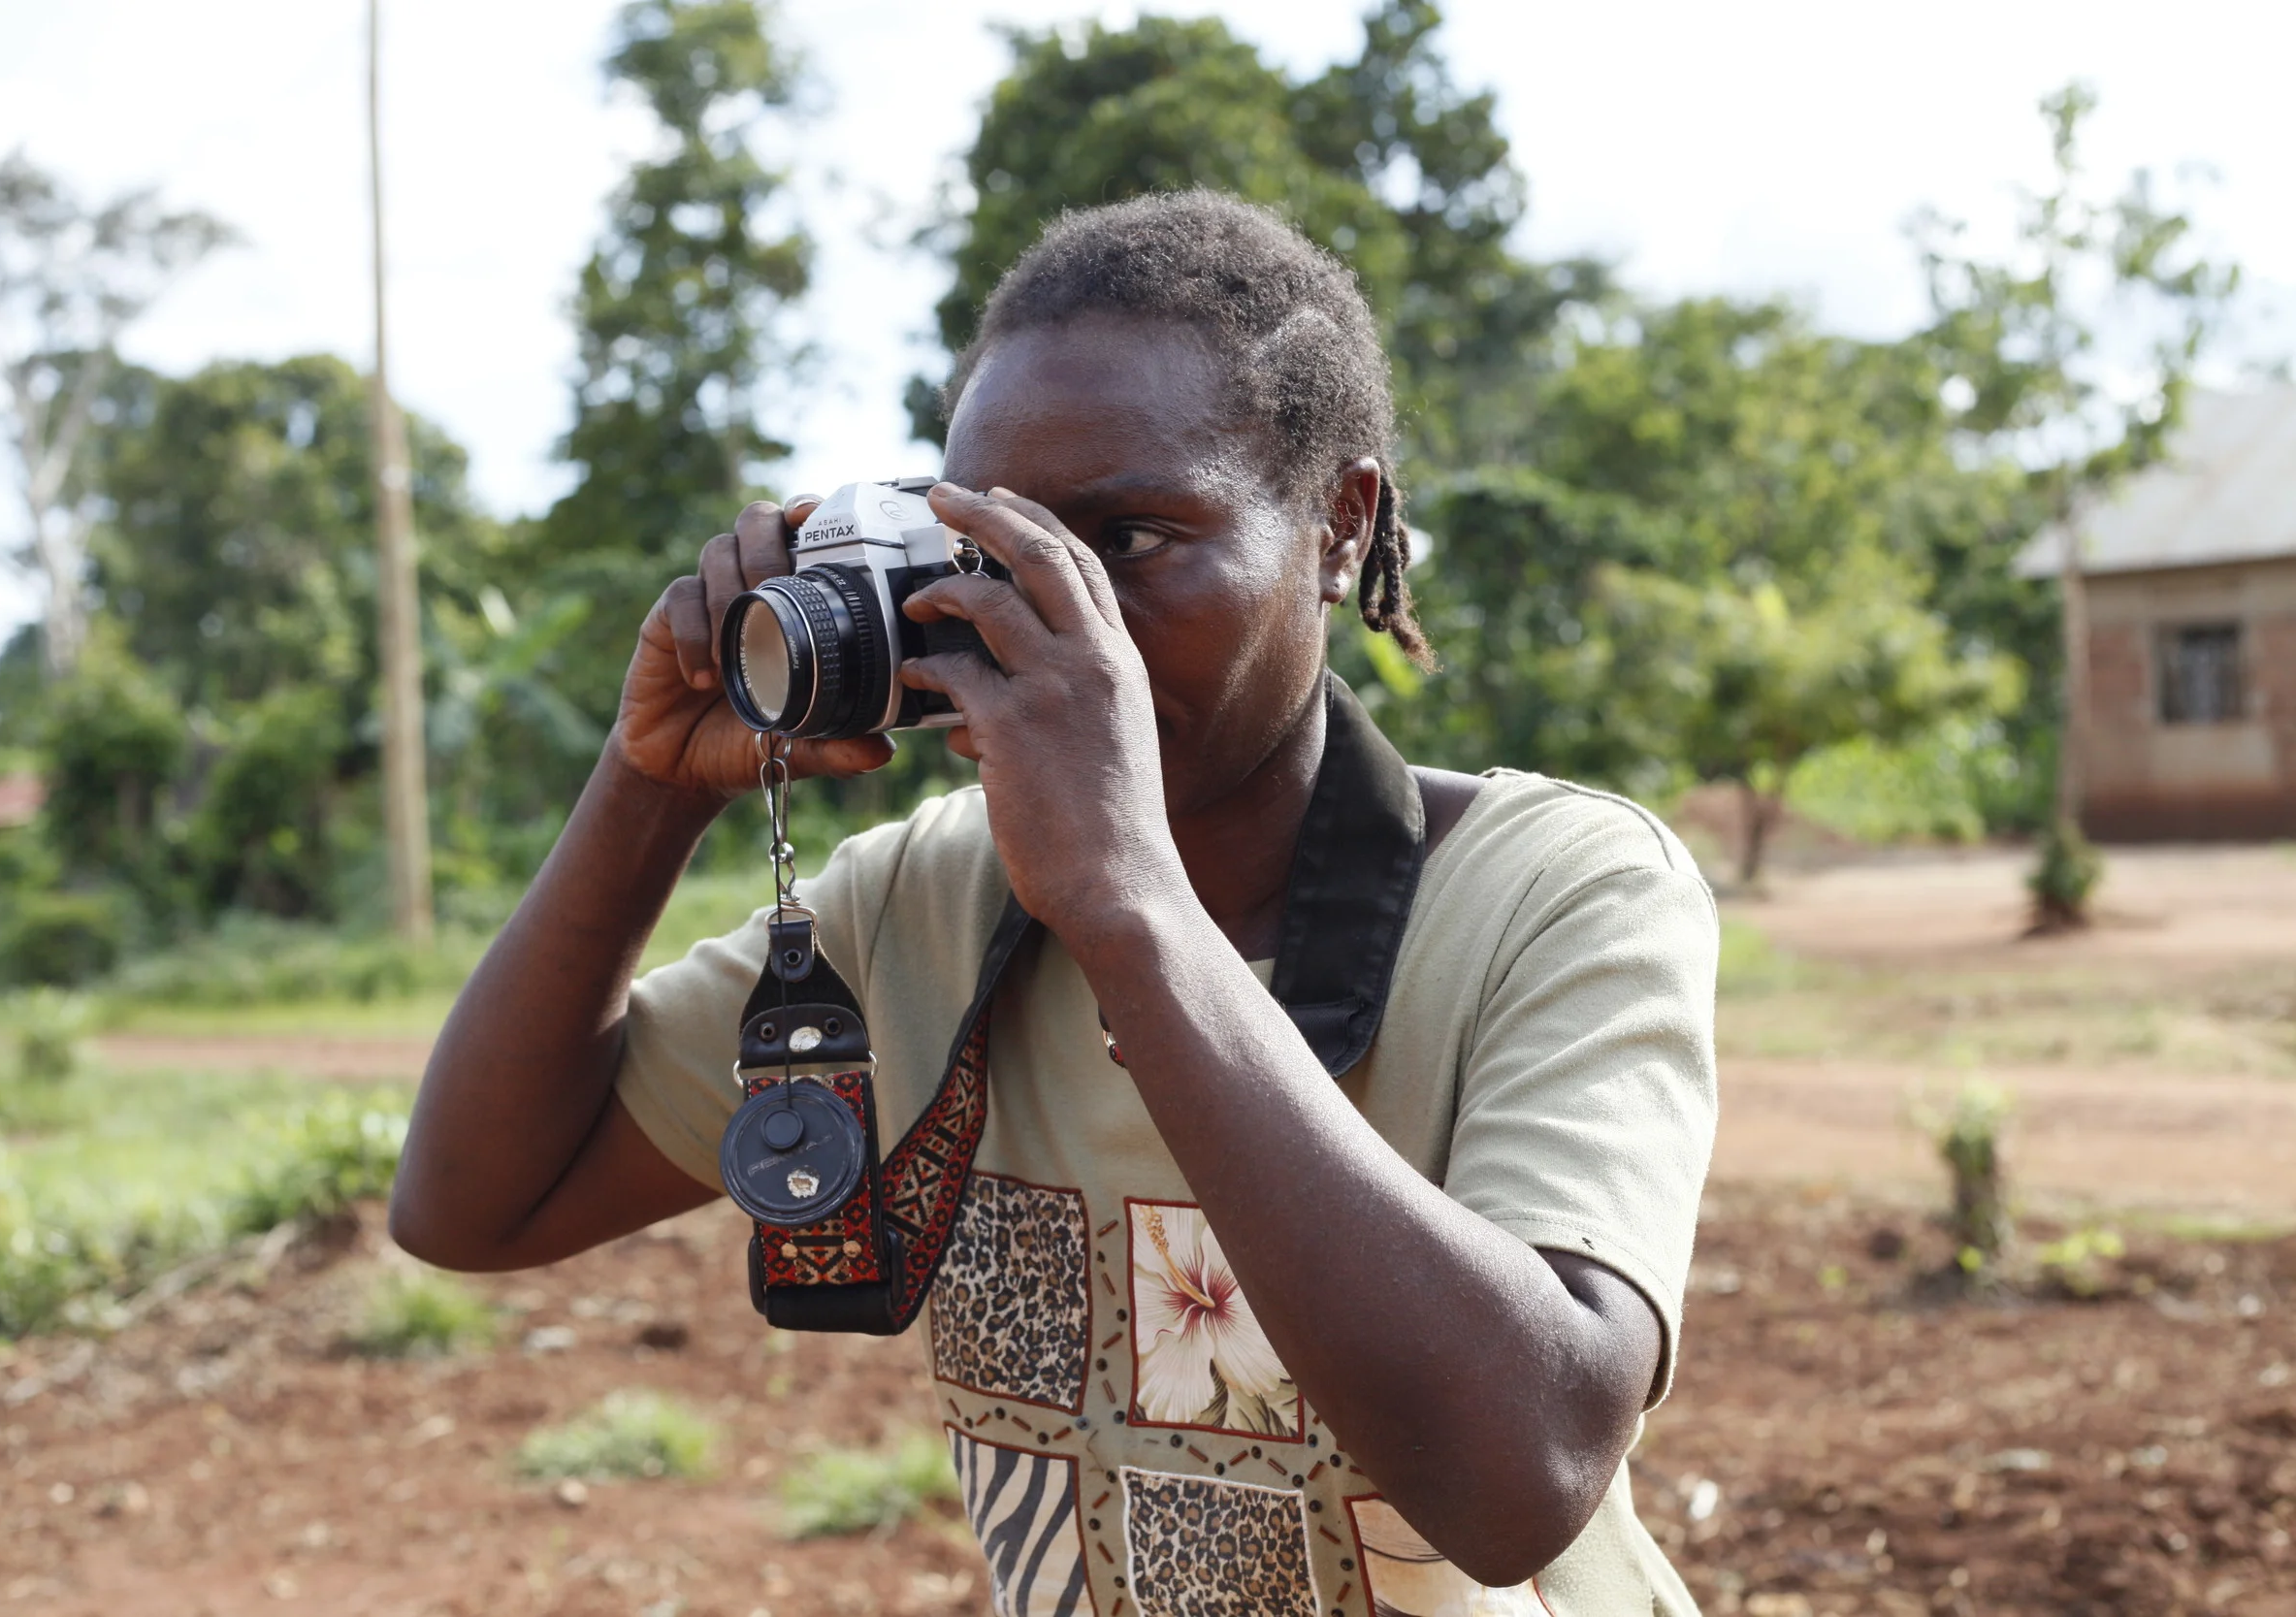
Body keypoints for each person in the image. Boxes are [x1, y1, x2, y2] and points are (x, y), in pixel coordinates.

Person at [391, 189, 1718, 1616]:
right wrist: (652, 781)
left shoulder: (1554, 889)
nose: (1054, 612)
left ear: (1341, 525)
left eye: (1132, 539)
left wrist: (1130, 906)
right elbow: (476, 1201)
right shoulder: (932, 898)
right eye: (998, 552)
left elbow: (1521, 1470)